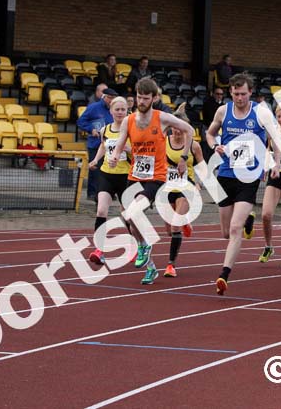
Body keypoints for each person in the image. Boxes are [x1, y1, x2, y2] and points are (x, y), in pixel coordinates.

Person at [108, 79, 194, 285]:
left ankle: (144, 247)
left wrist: (183, 157)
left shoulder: (162, 118)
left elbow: (189, 130)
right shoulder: (129, 121)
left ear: (154, 98)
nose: (142, 101)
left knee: (135, 211)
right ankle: (151, 266)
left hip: (156, 176)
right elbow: (120, 143)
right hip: (135, 175)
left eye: (146, 98)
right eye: (139, 97)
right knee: (128, 216)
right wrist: (114, 155)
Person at [205, 73, 268, 295]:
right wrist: (215, 147)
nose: (239, 97)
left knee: (234, 228)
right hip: (225, 174)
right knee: (225, 232)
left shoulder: (260, 113)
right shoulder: (223, 111)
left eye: (243, 93)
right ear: (230, 92)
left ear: (251, 92)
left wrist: (275, 163)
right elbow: (210, 134)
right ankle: (248, 219)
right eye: (235, 93)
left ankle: (224, 274)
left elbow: (276, 139)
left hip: (248, 177)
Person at [87, 96, 132, 267]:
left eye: (123, 109)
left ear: (127, 111)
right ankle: (99, 250)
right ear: (111, 111)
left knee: (127, 215)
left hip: (125, 176)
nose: (120, 112)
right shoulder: (105, 129)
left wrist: (129, 149)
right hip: (106, 174)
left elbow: (139, 153)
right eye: (117, 109)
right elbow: (103, 146)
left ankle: (135, 246)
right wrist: (96, 160)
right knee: (101, 211)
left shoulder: (130, 131)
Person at [161, 104, 204, 277]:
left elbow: (202, 165)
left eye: (181, 129)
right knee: (169, 231)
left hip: (187, 186)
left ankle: (170, 265)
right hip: (167, 187)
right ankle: (185, 220)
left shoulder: (194, 146)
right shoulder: (164, 142)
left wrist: (199, 183)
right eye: (175, 128)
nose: (178, 132)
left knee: (175, 226)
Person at [258, 106, 281, 265]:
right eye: (278, 116)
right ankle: (268, 245)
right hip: (277, 174)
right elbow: (268, 150)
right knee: (266, 214)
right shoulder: (273, 133)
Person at [77, 87, 117, 200]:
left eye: (113, 98)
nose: (111, 100)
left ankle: (107, 192)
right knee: (95, 169)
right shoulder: (94, 107)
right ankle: (92, 192)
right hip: (95, 143)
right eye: (109, 98)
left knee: (109, 169)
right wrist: (91, 129)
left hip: (110, 144)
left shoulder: (115, 110)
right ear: (104, 97)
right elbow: (81, 121)